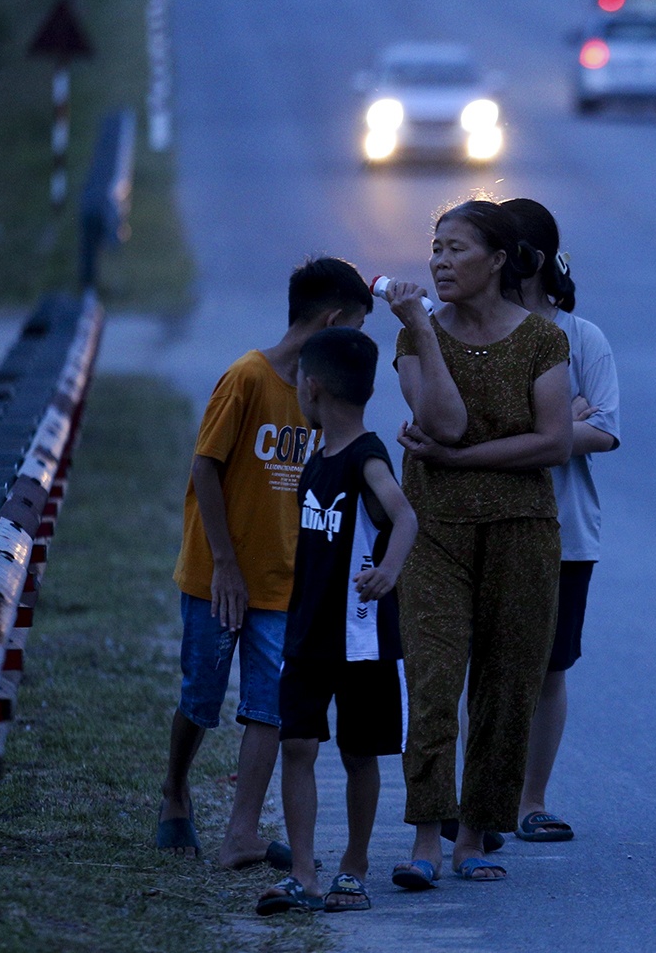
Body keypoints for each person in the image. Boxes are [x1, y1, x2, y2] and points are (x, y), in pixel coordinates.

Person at [160, 256, 374, 868]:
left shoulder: (321, 399)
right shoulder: (248, 378)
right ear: (332, 321)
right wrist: (225, 563)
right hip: (218, 574)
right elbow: (205, 466)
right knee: (201, 695)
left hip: (284, 581)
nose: (357, 345)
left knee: (270, 706)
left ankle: (241, 832)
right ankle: (175, 788)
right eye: (355, 329)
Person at [381, 201, 572, 888]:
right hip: (434, 530)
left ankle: (474, 836)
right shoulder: (414, 336)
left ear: (496, 261)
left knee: (506, 683)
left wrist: (461, 461)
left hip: (522, 531)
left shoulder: (544, 342)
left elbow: (552, 441)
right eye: (434, 248)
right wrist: (423, 333)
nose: (438, 261)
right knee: (433, 679)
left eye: (456, 248)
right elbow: (443, 420)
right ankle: (426, 837)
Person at [257, 327, 418, 915]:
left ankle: (352, 867)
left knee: (359, 753)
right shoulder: (317, 455)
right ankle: (304, 873)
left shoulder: (366, 457)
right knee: (296, 743)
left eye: (299, 380)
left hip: (361, 635)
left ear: (314, 386)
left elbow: (404, 518)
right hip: (307, 633)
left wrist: (388, 572)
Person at [500, 198, 621, 843]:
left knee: (549, 667)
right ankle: (482, 798)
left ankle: (531, 800)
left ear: (530, 259)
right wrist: (556, 424)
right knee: (484, 663)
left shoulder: (581, 337)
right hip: (485, 519)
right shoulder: (466, 330)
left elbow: (604, 430)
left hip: (564, 527)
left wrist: (556, 432)